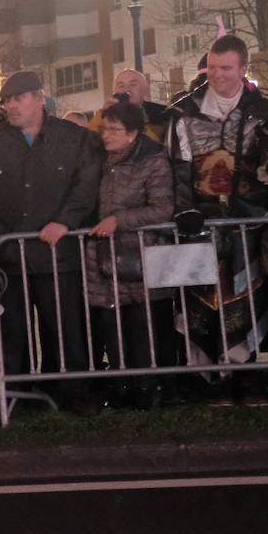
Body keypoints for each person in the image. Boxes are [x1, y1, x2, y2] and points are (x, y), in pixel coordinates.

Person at [165, 34, 268, 381]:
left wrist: (266, 201)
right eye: (213, 67)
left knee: (245, 298)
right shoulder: (184, 113)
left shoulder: (263, 115)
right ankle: (205, 379)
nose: (218, 75)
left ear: (243, 69)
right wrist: (183, 210)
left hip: (247, 223)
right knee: (199, 300)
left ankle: (246, 376)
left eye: (226, 68)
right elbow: (178, 168)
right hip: (198, 222)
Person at [0, 69, 100, 408]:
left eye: (17, 98)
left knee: (65, 328)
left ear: (38, 98)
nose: (10, 106)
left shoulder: (73, 138)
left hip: (59, 254)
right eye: (6, 100)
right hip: (10, 258)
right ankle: (18, 395)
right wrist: (0, 236)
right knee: (13, 333)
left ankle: (71, 392)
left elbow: (86, 186)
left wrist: (64, 221)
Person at [84, 100, 174, 408]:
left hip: (139, 257)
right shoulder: (98, 159)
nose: (106, 135)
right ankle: (120, 388)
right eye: (104, 129)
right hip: (104, 258)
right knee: (112, 324)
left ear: (133, 133)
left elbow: (163, 208)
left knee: (140, 326)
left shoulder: (153, 160)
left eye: (114, 130)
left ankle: (144, 389)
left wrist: (119, 220)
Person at [88, 68, 170, 143]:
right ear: (114, 92)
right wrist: (103, 113)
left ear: (145, 89)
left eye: (133, 84)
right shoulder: (105, 117)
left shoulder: (163, 115)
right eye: (121, 86)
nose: (127, 90)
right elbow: (89, 143)